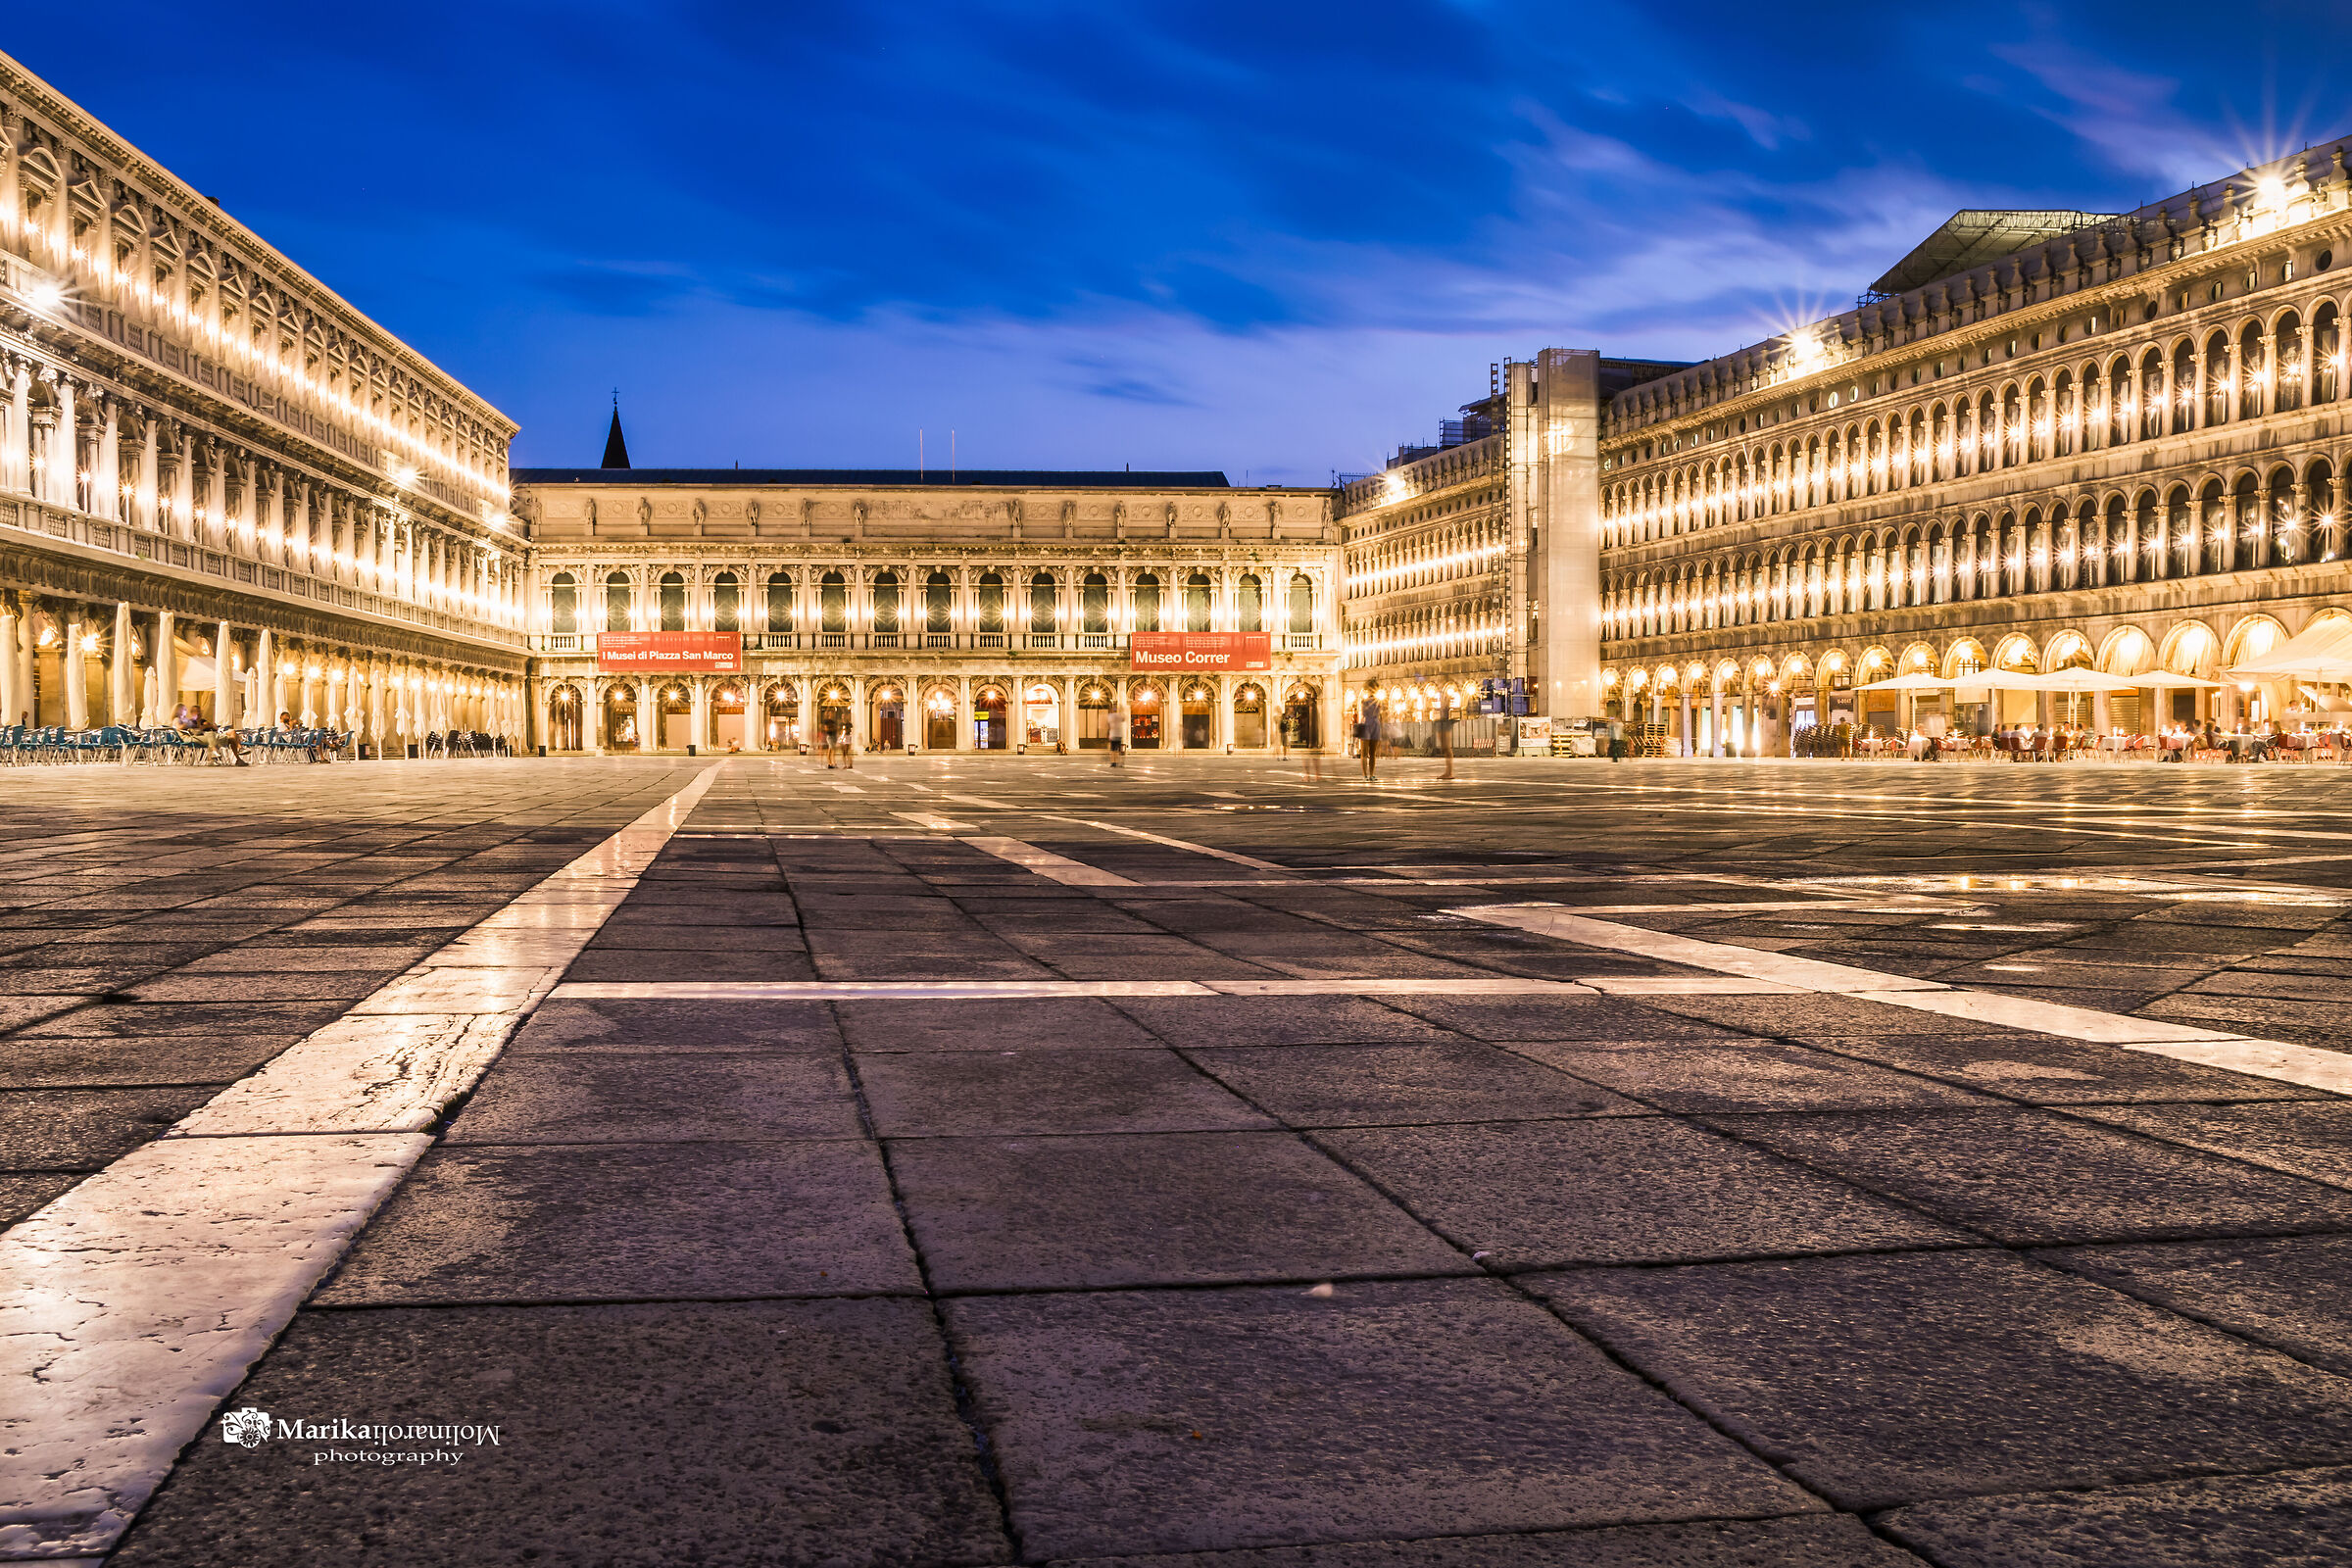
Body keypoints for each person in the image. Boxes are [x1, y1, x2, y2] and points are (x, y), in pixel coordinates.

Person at [1357, 684, 1383, 780]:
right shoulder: (1378, 702)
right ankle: (1371, 775)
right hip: (1375, 725)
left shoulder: (1364, 701)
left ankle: (1365, 775)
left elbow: (1363, 713)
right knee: (1373, 753)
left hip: (1366, 724)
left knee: (1364, 753)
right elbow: (1379, 714)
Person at [1435, 697, 1457, 780]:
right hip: (1441, 721)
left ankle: (1449, 773)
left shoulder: (1447, 694)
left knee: (1446, 747)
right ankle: (1448, 772)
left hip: (1445, 721)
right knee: (1444, 747)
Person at [1108, 703, 1128, 768]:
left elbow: (1108, 725)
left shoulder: (1111, 716)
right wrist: (1122, 710)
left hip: (1113, 735)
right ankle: (1116, 762)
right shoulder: (1119, 716)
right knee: (1117, 750)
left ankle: (1113, 762)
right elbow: (1124, 719)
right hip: (1118, 735)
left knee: (1113, 750)